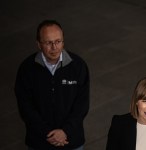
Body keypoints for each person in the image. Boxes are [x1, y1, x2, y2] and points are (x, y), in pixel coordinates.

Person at [14, 20, 90, 150]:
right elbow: (25, 107)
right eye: (48, 43)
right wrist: (49, 134)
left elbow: (82, 106)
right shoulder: (27, 69)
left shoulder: (78, 66)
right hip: (39, 143)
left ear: (63, 41)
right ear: (38, 44)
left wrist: (64, 132)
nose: (54, 47)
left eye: (58, 41)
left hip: (71, 142)